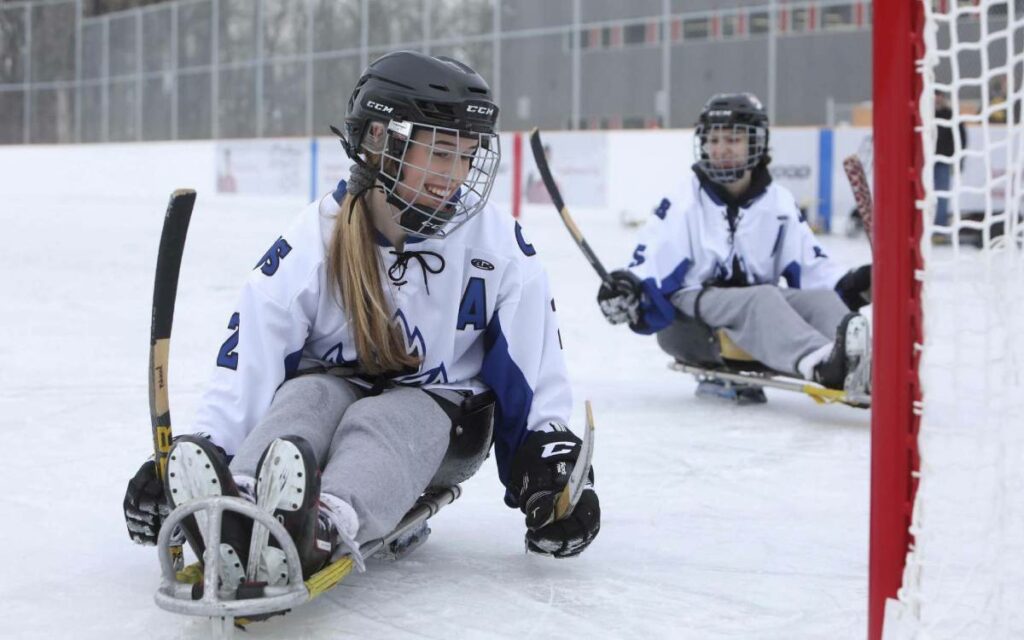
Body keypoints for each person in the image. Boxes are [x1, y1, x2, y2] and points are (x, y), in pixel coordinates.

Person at [123, 51, 600, 586]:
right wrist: (202, 447)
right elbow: (248, 368)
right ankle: (234, 504)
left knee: (387, 418)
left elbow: (534, 371)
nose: (458, 176)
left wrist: (548, 468)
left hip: (443, 423)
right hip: (335, 397)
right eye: (441, 153)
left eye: (467, 156)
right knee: (308, 398)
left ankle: (321, 524)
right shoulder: (313, 241)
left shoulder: (500, 249)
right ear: (382, 140)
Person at [595, 93, 872, 393]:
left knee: (820, 301)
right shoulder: (683, 200)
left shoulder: (778, 202)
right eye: (713, 140)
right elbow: (650, 259)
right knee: (763, 297)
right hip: (692, 321)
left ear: (757, 142)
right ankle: (820, 364)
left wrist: (859, 282)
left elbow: (813, 270)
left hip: (753, 307)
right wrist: (628, 287)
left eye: (733, 139)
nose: (721, 149)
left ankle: (865, 364)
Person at [933, 91, 966, 232]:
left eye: (939, 95)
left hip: (944, 160)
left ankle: (940, 225)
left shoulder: (951, 115)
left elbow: (961, 138)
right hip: (925, 163)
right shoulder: (925, 115)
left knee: (942, 194)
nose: (937, 99)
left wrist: (957, 158)